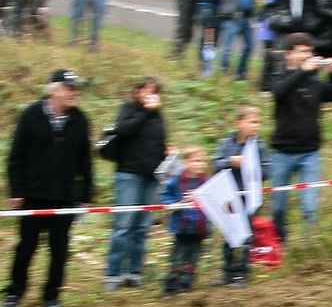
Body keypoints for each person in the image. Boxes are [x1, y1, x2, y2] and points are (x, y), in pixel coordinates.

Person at [3, 71, 94, 307]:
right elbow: (15, 156)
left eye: (76, 88)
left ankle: (52, 294)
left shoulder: (80, 119)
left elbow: (85, 160)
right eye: (68, 88)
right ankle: (15, 291)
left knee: (60, 248)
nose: (73, 92)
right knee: (27, 245)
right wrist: (16, 189)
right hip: (33, 194)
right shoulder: (31, 115)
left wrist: (86, 194)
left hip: (64, 196)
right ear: (53, 91)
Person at [267, 37, 332, 232]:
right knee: (278, 207)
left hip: (310, 153)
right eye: (302, 51)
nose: (307, 56)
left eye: (309, 52)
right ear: (289, 54)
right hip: (282, 152)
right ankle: (278, 245)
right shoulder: (280, 76)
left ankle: (307, 248)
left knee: (310, 207)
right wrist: (302, 72)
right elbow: (278, 92)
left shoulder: (314, 82)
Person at [98, 78, 169, 290]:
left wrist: (166, 152)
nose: (151, 95)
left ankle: (134, 271)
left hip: (151, 175)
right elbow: (124, 129)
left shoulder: (158, 116)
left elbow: (159, 140)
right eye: (147, 90)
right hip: (129, 173)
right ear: (137, 91)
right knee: (124, 225)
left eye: (155, 91)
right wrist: (146, 112)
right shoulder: (128, 109)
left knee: (142, 227)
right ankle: (113, 272)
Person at [211, 106, 267, 287]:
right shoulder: (227, 144)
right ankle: (227, 271)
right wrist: (230, 162)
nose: (255, 126)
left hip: (249, 196)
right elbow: (216, 164)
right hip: (228, 196)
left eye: (257, 122)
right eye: (251, 121)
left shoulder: (259, 147)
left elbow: (268, 169)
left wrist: (253, 167)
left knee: (246, 234)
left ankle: (242, 272)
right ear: (238, 123)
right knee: (229, 234)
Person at [161, 146, 214, 295]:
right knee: (177, 257)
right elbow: (166, 197)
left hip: (199, 227)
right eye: (196, 161)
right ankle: (170, 287)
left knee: (193, 258)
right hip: (181, 226)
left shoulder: (207, 182)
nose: (200, 164)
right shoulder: (175, 181)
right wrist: (176, 204)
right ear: (186, 162)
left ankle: (186, 285)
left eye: (202, 161)